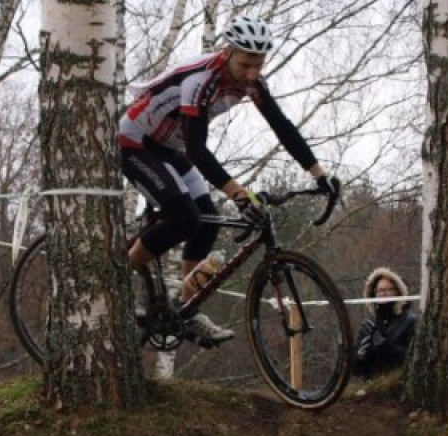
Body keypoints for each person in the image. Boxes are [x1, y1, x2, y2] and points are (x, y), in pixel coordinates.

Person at [118, 16, 340, 347]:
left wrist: (319, 174)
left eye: (259, 64)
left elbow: (282, 126)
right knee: (183, 217)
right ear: (228, 52)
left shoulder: (252, 83)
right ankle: (114, 280)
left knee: (206, 219)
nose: (252, 73)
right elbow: (197, 149)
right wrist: (237, 193)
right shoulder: (201, 80)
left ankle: (186, 309)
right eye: (246, 64)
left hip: (168, 148)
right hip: (136, 142)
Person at [353, 268, 417, 380]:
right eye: (380, 291)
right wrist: (360, 356)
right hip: (370, 388)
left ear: (398, 292)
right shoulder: (370, 325)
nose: (384, 294)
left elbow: (413, 360)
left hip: (397, 387)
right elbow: (355, 371)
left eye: (389, 290)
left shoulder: (410, 321)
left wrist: (385, 347)